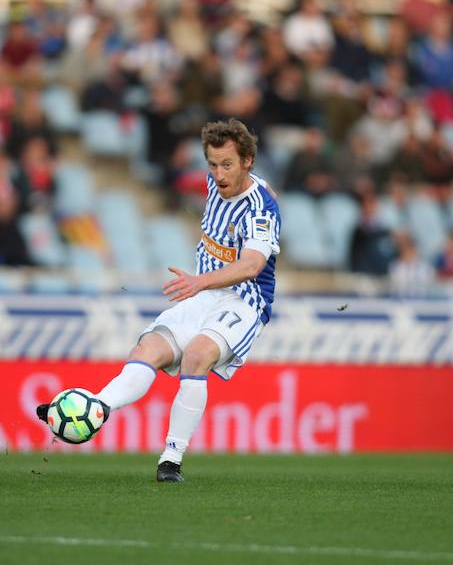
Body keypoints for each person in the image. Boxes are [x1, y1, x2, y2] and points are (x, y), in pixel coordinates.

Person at [37, 119, 281, 483]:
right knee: (147, 348)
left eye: (226, 165)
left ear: (248, 160)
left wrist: (199, 281)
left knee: (197, 355)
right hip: (203, 294)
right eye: (212, 165)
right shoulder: (216, 184)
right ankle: (95, 408)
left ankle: (171, 459)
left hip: (242, 301)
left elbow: (251, 264)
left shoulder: (260, 209)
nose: (217, 174)